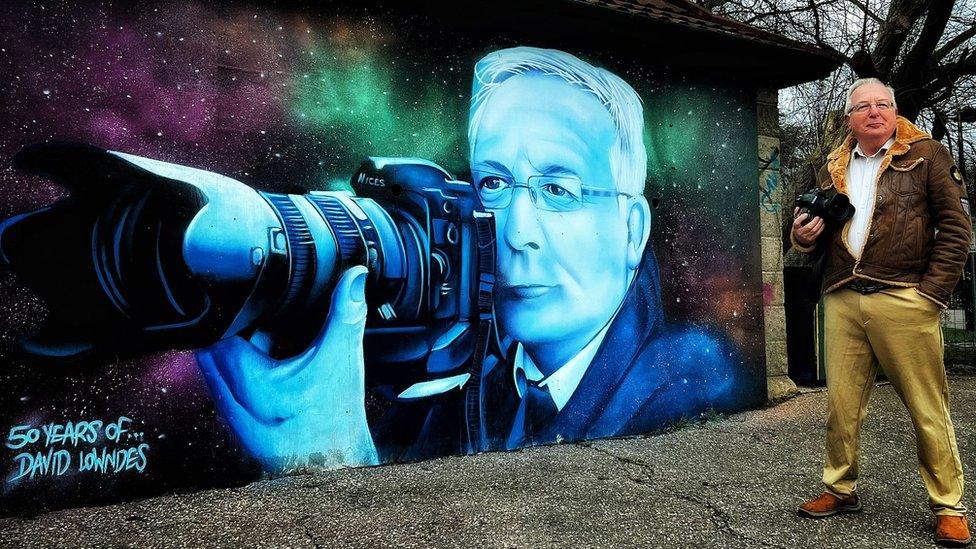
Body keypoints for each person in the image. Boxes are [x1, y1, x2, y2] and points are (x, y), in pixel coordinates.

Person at [195, 47, 738, 471]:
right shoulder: (460, 383)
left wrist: (335, 464)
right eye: (494, 183)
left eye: (559, 189)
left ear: (631, 229)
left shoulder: (694, 387)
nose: (517, 234)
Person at [791, 77, 971, 547]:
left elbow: (956, 230)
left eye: (883, 104)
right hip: (843, 294)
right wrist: (802, 237)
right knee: (842, 405)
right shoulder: (832, 164)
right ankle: (838, 488)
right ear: (849, 118)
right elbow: (816, 232)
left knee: (928, 408)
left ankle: (949, 506)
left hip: (904, 294)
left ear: (894, 112)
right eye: (863, 106)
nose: (874, 112)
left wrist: (931, 294)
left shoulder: (927, 155)